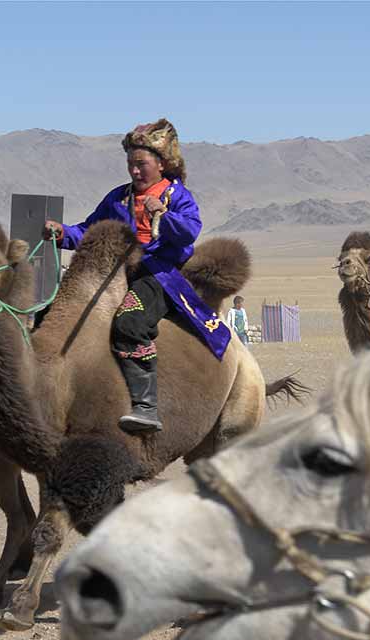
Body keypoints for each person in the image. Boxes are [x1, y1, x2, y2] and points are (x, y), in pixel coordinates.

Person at [44, 119, 227, 433]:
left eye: (141, 164)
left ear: (160, 164)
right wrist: (61, 234)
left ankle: (146, 405)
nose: (134, 171)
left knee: (131, 321)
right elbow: (89, 230)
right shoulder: (118, 197)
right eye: (130, 164)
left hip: (160, 274)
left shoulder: (176, 195)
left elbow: (189, 232)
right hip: (117, 271)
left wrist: (163, 216)